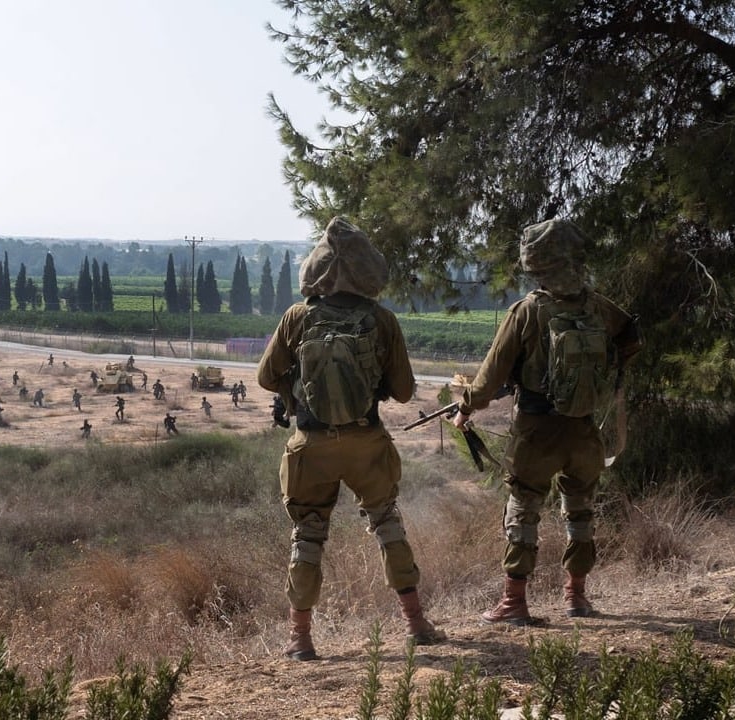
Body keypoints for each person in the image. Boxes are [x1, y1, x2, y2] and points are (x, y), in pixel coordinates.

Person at [256, 216, 445, 661]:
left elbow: (266, 376)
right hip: (367, 443)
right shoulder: (382, 319)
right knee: (387, 522)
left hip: (311, 446)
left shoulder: (298, 317)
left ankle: (300, 639)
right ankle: (416, 623)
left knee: (307, 535)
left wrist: (294, 393)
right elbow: (402, 391)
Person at [452, 219, 643, 625]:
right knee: (580, 510)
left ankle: (514, 603)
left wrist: (465, 409)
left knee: (522, 508)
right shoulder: (597, 306)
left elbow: (488, 379)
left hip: (537, 430)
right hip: (583, 428)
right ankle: (576, 598)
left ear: (535, 264)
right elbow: (631, 337)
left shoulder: (527, 311)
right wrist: (601, 376)